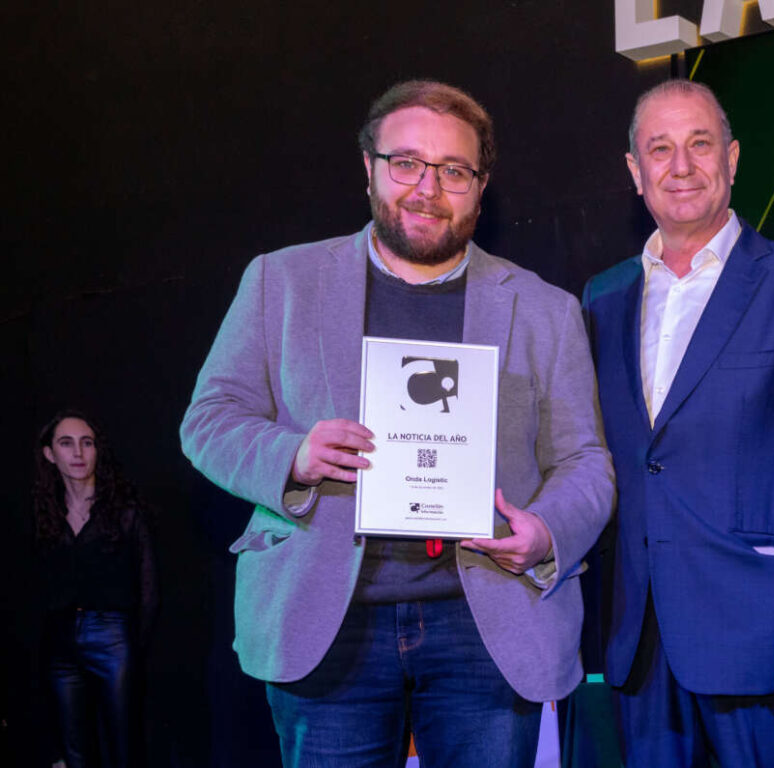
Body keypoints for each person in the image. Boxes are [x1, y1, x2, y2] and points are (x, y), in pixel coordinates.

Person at [180, 79, 613, 768]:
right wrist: (293, 456)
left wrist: (546, 532)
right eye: (406, 163)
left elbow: (585, 462)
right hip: (327, 619)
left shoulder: (544, 309)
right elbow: (208, 420)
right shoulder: (280, 282)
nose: (427, 189)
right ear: (369, 167)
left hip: (487, 624)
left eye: (454, 171)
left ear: (481, 186)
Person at [582, 79, 774, 767]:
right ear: (635, 171)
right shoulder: (601, 297)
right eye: (660, 149)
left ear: (732, 159)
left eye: (700, 144)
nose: (681, 166)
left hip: (759, 636)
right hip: (637, 639)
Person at [32, 410, 158, 768]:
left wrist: (130, 645)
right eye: (66, 443)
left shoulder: (125, 512)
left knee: (124, 747)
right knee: (75, 752)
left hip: (113, 638)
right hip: (59, 644)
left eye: (86, 443)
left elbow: (150, 591)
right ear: (49, 454)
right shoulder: (44, 513)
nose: (78, 453)